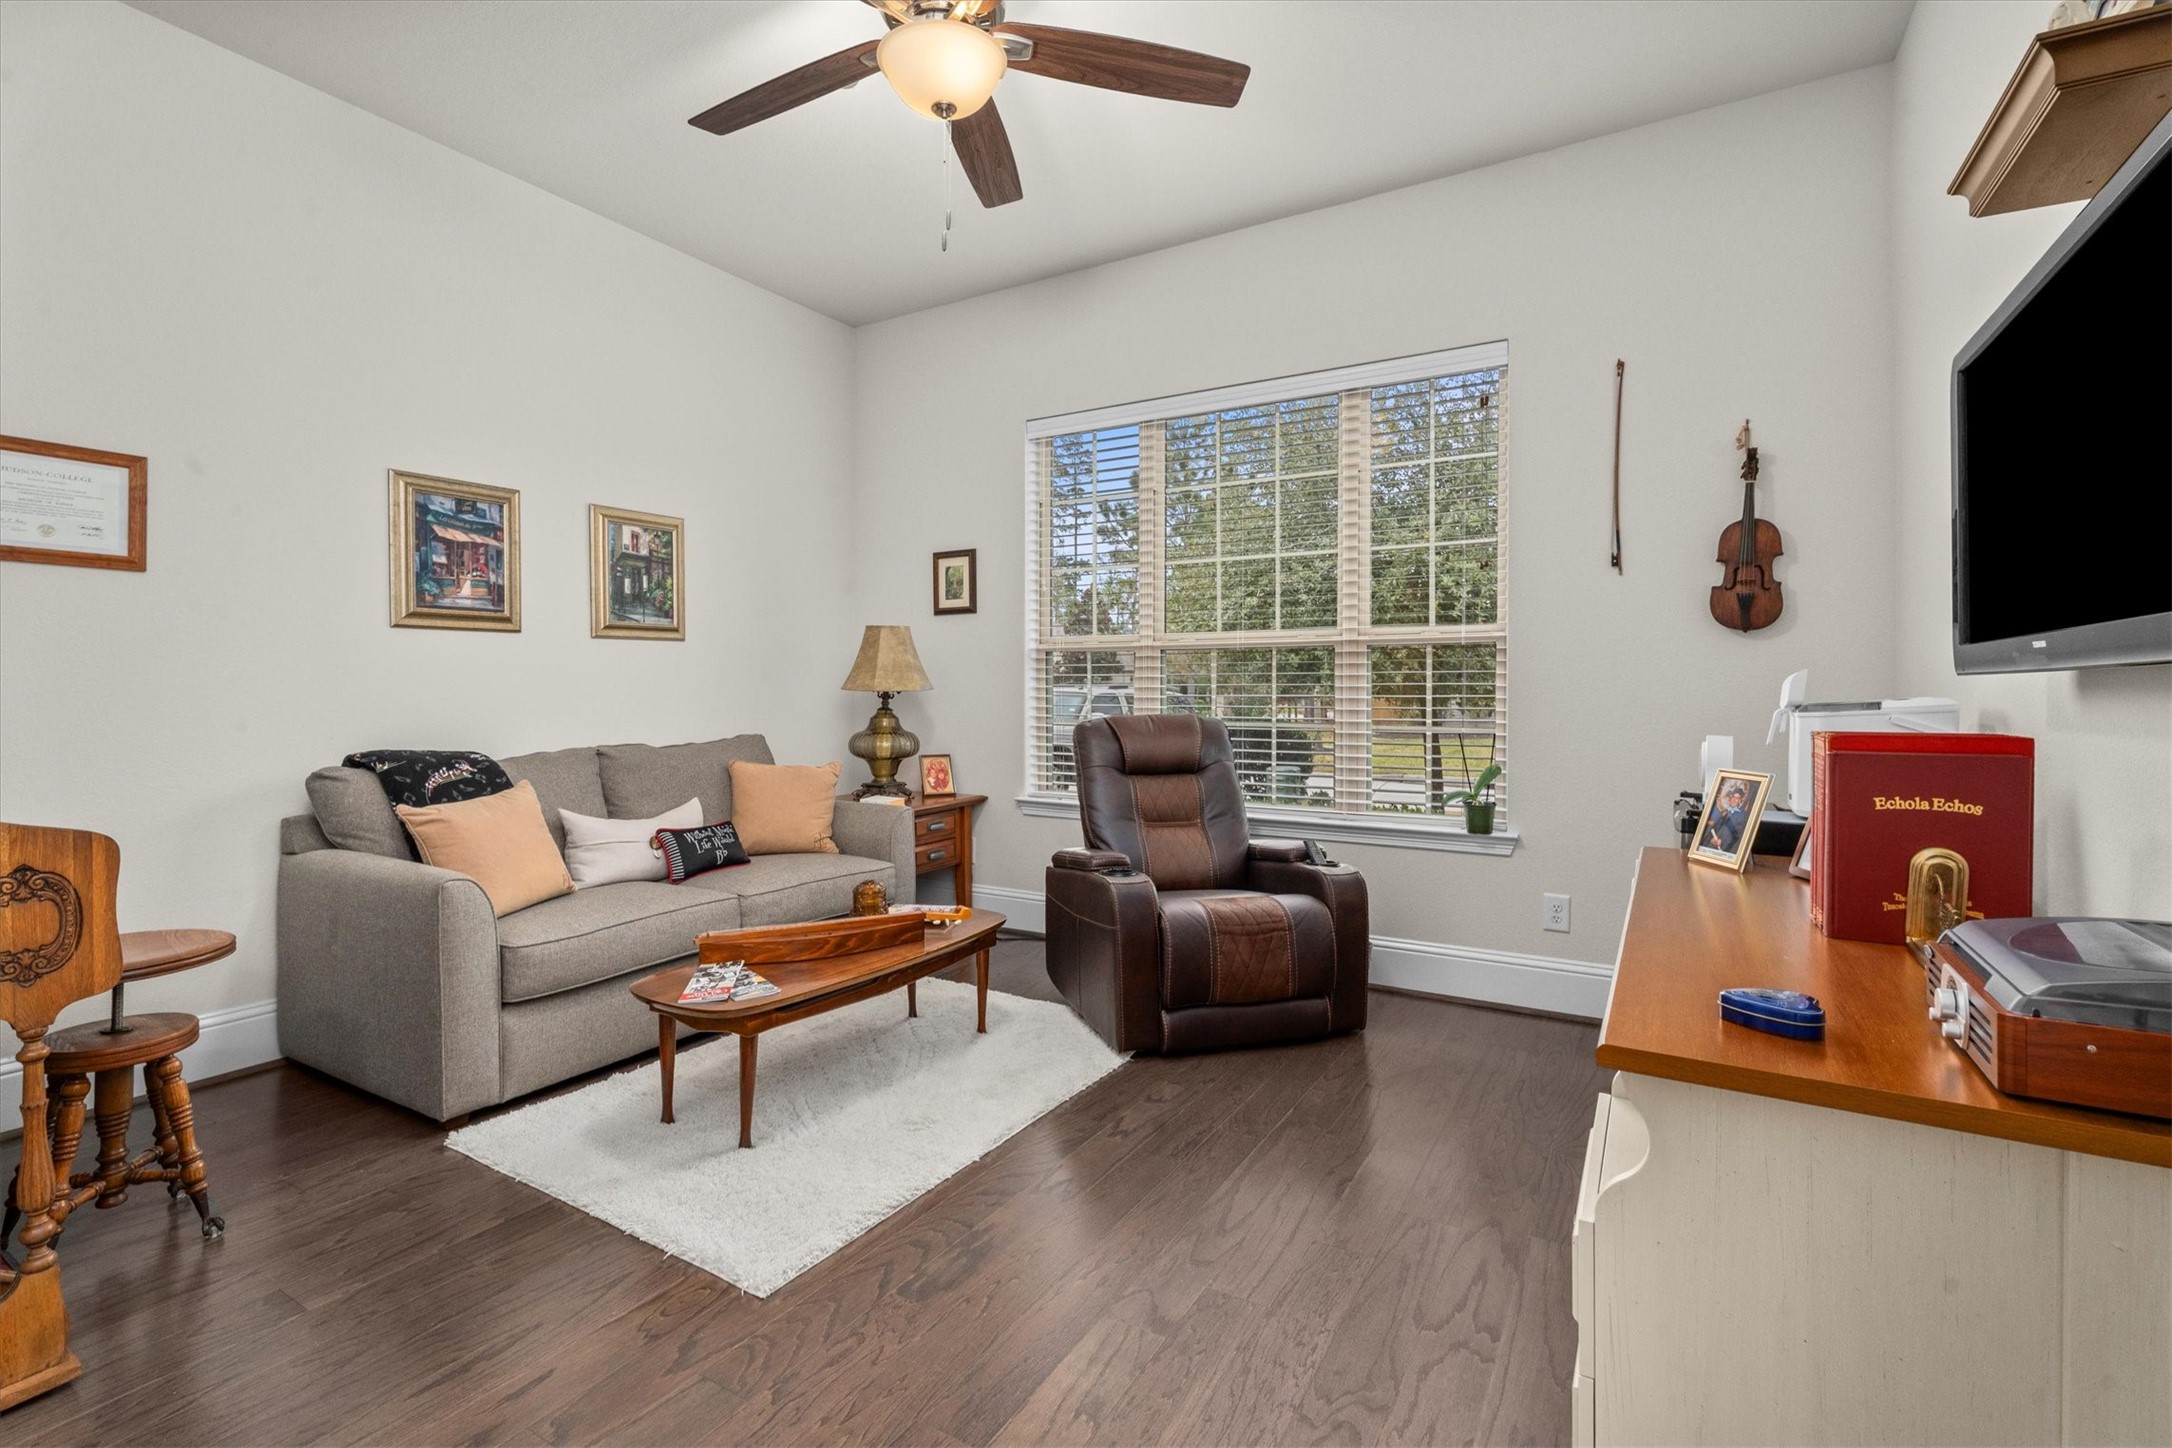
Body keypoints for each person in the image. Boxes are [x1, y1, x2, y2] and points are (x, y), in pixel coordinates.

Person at [1703, 779, 1753, 854]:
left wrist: (1722, 842)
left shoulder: (1741, 816)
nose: (1734, 800)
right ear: (1730, 798)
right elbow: (1714, 829)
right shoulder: (1725, 813)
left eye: (1737, 798)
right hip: (1713, 849)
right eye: (1733, 797)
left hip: (1727, 851)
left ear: (1740, 800)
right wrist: (1711, 839)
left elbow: (1737, 835)